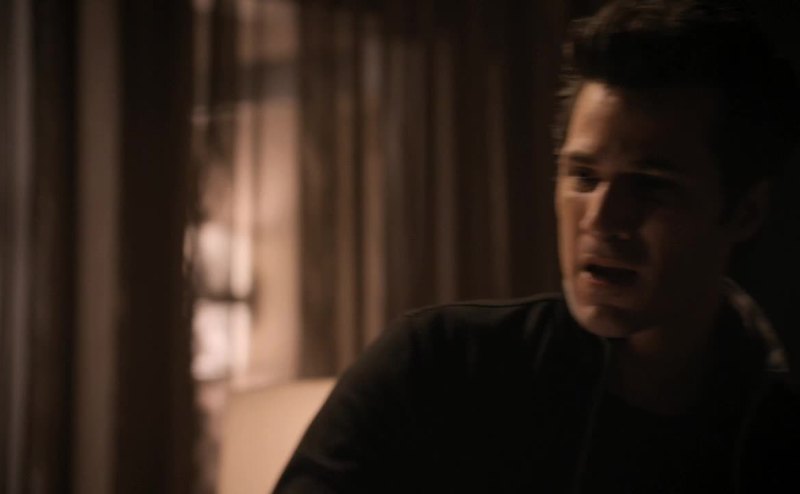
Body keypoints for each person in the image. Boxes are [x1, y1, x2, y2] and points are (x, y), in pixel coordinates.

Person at [274, 1, 800, 492]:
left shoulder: (775, 429)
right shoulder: (434, 370)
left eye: (651, 186)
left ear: (745, 212)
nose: (601, 219)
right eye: (583, 177)